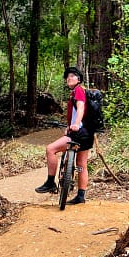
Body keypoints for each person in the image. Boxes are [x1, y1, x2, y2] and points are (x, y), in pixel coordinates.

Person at [34, 66, 94, 203]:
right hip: (87, 133)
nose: (69, 78)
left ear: (79, 79)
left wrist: (76, 124)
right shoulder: (80, 92)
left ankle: (50, 182)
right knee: (81, 165)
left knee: (51, 149)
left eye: (72, 76)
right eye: (67, 77)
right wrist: (70, 126)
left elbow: (80, 107)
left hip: (78, 132)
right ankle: (81, 196)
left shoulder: (78, 91)